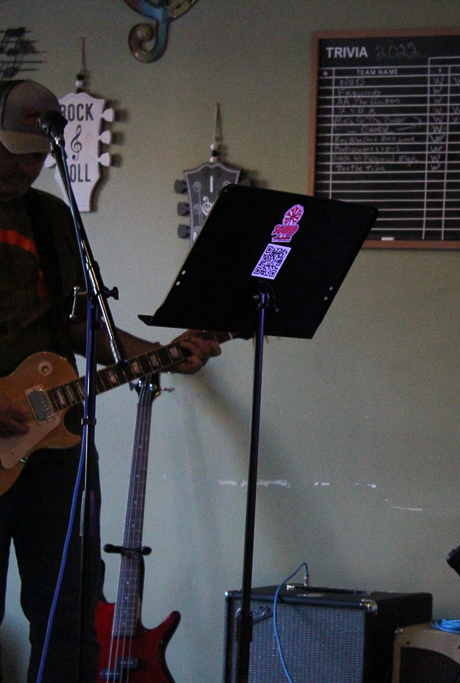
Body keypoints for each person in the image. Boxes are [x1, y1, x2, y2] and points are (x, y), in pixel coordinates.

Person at [0, 79, 221, 682]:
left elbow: (79, 326)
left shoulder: (50, 218)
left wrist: (161, 354)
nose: (24, 166)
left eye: (35, 154)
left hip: (56, 440)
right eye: (11, 151)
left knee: (71, 610)